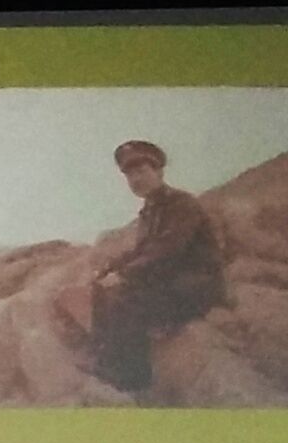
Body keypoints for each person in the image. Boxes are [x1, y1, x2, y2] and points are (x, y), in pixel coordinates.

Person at [86, 140, 228, 396]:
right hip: (170, 281)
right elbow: (141, 250)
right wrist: (108, 268)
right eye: (130, 175)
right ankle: (103, 358)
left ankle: (133, 377)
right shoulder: (150, 211)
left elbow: (166, 250)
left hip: (196, 285)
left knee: (124, 300)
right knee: (100, 288)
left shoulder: (181, 204)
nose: (136, 179)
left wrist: (124, 274)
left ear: (159, 172)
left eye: (142, 171)